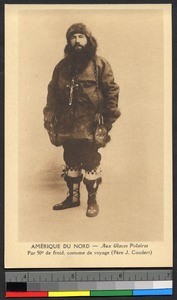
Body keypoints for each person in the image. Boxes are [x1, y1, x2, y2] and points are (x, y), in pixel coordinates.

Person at [43, 23, 120, 217]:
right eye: (73, 37)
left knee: (90, 160)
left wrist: (107, 119)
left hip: (90, 124)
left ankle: (92, 201)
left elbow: (111, 91)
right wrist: (50, 114)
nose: (77, 41)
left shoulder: (99, 64)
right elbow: (52, 91)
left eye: (81, 37)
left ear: (88, 40)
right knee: (70, 159)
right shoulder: (61, 66)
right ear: (68, 41)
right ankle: (73, 198)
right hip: (67, 123)